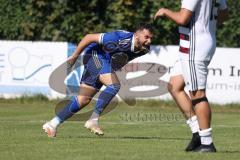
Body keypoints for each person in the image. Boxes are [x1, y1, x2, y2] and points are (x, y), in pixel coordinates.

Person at [43, 23, 153, 137]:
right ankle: (93, 120)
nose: (149, 41)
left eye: (151, 38)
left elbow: (121, 57)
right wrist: (75, 56)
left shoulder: (144, 50)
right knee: (114, 85)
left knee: (83, 100)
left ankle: (52, 124)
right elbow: (89, 37)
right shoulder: (120, 37)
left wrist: (111, 68)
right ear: (136, 35)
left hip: (104, 62)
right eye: (146, 37)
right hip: (94, 55)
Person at [154, 0, 228, 152]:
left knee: (197, 94)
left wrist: (165, 11)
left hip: (195, 46)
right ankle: (197, 133)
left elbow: (182, 18)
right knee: (174, 85)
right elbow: (224, 15)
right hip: (200, 43)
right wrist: (207, 25)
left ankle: (207, 143)